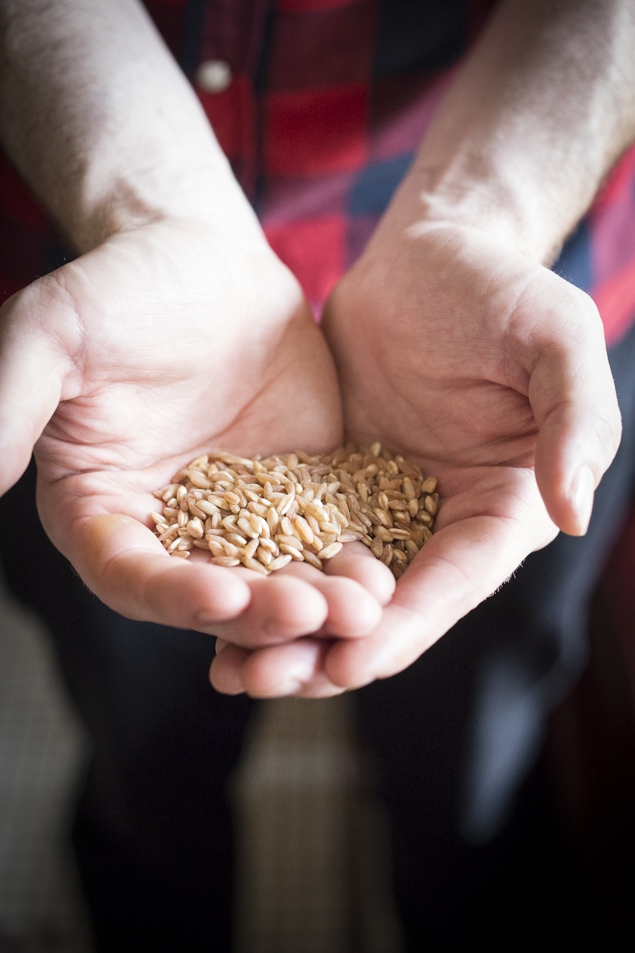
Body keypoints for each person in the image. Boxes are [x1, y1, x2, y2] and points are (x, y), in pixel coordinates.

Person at [0, 0, 634, 948]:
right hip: (103, 325)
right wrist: (150, 207)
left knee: (468, 769)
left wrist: (485, 216)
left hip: (506, 333)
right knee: (144, 758)